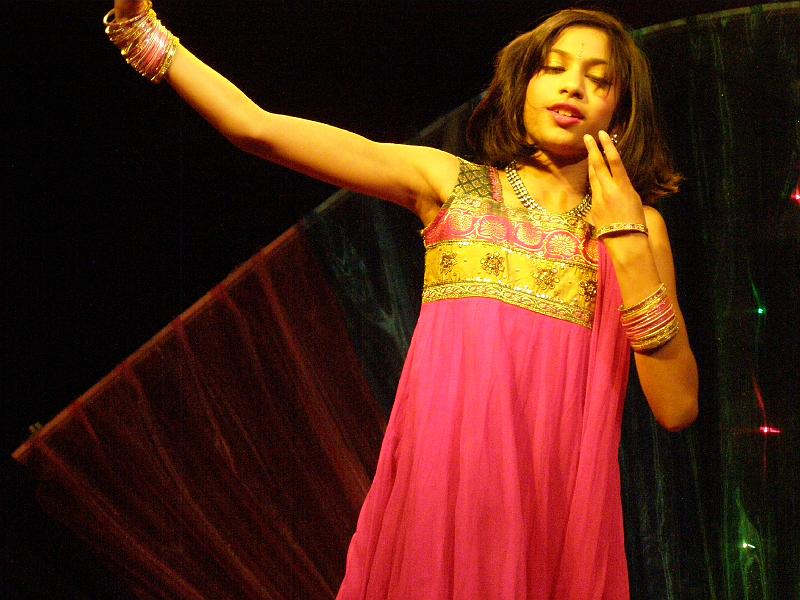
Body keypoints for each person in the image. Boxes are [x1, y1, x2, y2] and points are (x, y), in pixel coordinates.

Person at [105, 2, 699, 598]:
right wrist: (142, 32)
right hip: (441, 503)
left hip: (553, 515)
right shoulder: (450, 185)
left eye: (599, 79)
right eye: (554, 67)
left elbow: (676, 407)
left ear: (621, 113)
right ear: (523, 86)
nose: (573, 85)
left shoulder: (636, 231)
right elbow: (256, 129)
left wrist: (626, 240)